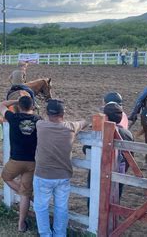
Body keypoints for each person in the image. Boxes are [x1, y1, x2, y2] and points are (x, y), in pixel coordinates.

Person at [33, 99, 88, 237]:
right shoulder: (70, 127)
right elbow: (84, 122)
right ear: (63, 113)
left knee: (41, 207)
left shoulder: (40, 125)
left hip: (43, 174)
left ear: (47, 113)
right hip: (63, 175)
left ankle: (45, 234)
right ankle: (60, 234)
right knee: (61, 207)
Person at [0, 96, 41, 232]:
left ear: (20, 106)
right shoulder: (38, 120)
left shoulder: (14, 117)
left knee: (6, 177)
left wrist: (15, 101)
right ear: (32, 106)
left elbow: (1, 105)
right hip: (32, 161)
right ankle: (21, 224)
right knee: (25, 193)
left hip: (16, 159)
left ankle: (26, 193)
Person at [103, 102, 134, 198]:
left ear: (106, 117)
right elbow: (131, 155)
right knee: (117, 196)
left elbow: (86, 149)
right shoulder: (128, 133)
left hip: (103, 171)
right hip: (121, 170)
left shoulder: (102, 132)